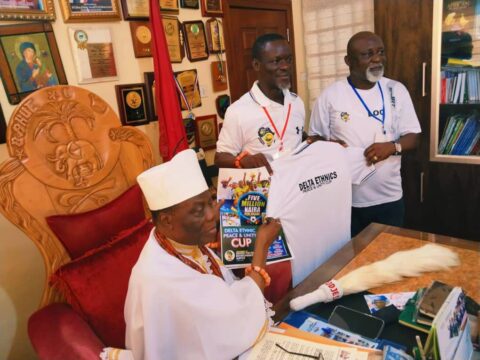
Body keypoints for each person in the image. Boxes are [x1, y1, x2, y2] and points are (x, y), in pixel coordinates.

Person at [124, 149, 281, 360]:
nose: (212, 216)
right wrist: (261, 245)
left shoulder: (182, 242)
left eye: (210, 202)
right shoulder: (161, 279)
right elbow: (237, 317)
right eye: (198, 211)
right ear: (166, 220)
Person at [309, 31, 421, 237]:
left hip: (390, 199)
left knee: (389, 261)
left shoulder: (396, 90)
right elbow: (313, 140)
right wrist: (330, 148)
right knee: (352, 263)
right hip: (346, 201)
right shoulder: (330, 96)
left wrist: (392, 147)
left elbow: (414, 137)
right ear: (348, 61)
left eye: (380, 52)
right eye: (367, 54)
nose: (377, 58)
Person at [214, 33, 306, 174]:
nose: (285, 66)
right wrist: (241, 161)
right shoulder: (238, 111)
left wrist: (314, 142)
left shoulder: (297, 102)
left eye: (288, 59)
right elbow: (220, 158)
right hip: (264, 192)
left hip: (298, 188)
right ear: (257, 65)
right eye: (276, 61)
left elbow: (294, 134)